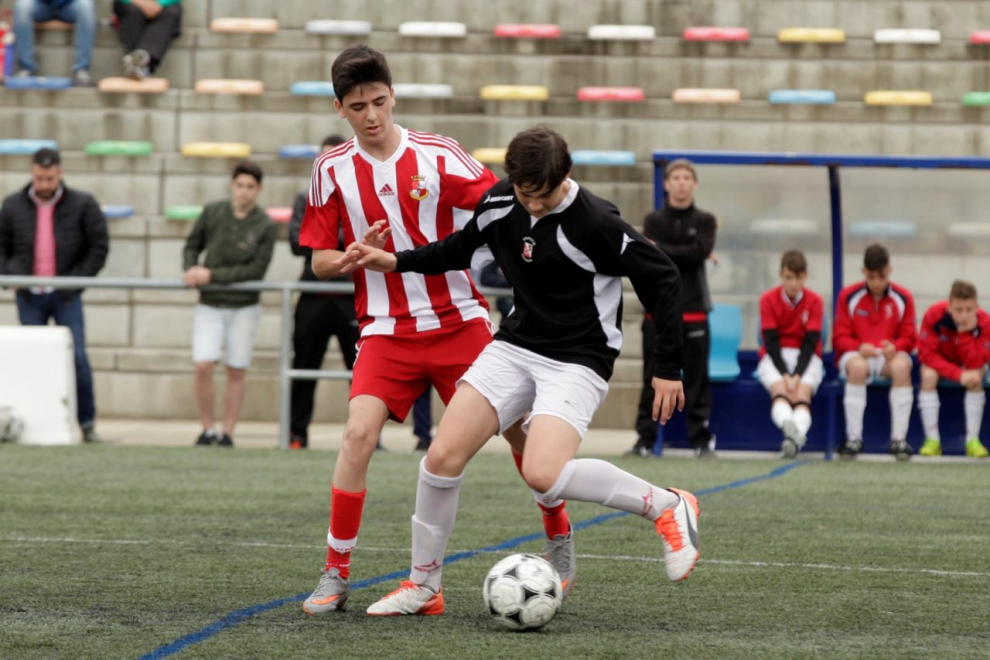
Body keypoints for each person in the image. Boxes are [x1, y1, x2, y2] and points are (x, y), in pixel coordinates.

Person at [336, 125, 700, 617]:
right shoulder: (502, 201)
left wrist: (668, 366)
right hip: (515, 346)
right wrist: (393, 261)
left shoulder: (595, 221)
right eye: (526, 194)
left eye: (544, 197)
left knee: (543, 472)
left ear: (565, 177)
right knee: (440, 458)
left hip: (578, 357)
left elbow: (662, 276)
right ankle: (424, 586)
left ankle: (667, 504)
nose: (533, 206)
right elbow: (457, 250)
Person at [296, 46, 575, 615]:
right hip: (384, 329)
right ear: (339, 109)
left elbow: (502, 205)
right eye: (358, 106)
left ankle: (560, 540)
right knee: (356, 436)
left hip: (458, 322)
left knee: (521, 434)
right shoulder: (331, 170)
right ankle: (335, 573)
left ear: (392, 95)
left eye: (379, 101)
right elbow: (320, 260)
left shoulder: (440, 154)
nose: (371, 114)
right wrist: (349, 256)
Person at [0, 147, 108, 443]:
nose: (44, 184)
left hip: (66, 297)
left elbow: (98, 247)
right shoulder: (12, 205)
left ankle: (87, 423)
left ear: (60, 173)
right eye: (39, 178)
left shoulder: (83, 204)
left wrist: (73, 283)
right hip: (29, 297)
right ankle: (32, 426)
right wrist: (12, 276)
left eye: (49, 178)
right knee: (30, 359)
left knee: (78, 359)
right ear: (32, 173)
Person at [182, 160, 275, 448]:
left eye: (250, 186)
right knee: (203, 365)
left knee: (236, 369)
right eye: (240, 185)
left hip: (244, 305)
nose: (244, 192)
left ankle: (228, 432)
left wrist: (212, 275)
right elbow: (192, 244)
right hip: (210, 303)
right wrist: (191, 269)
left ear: (258, 189)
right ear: (232, 185)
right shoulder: (213, 211)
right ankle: (207, 427)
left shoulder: (265, 225)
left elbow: (255, 271)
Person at [628, 159, 717, 458]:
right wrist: (683, 253)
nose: (680, 182)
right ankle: (645, 439)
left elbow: (697, 253)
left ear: (694, 184)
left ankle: (701, 441)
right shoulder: (653, 219)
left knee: (697, 380)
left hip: (694, 312)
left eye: (686, 177)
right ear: (666, 184)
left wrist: (663, 250)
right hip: (657, 314)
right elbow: (658, 257)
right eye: (675, 177)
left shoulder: (706, 220)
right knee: (649, 377)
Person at [288, 135, 358, 451]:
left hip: (351, 297)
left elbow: (359, 241)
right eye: (323, 159)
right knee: (304, 367)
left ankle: (369, 437)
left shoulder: (358, 197)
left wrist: (323, 239)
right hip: (313, 295)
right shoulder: (305, 198)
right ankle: (296, 435)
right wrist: (338, 243)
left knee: (362, 375)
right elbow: (296, 241)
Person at [833, 244, 917, 460]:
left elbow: (910, 337)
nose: (877, 283)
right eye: (871, 277)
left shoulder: (904, 297)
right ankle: (854, 438)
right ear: (863, 273)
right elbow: (839, 338)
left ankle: (899, 439)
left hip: (887, 358)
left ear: (890, 270)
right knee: (858, 367)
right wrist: (858, 347)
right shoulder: (848, 296)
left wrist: (895, 346)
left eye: (881, 276)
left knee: (902, 366)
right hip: (858, 355)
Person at [755, 250, 824, 458]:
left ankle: (793, 439)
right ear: (781, 275)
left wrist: (797, 374)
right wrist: (786, 374)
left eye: (798, 277)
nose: (793, 283)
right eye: (788, 277)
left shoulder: (815, 301)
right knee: (781, 391)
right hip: (775, 357)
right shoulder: (767, 299)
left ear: (806, 276)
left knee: (802, 394)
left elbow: (811, 342)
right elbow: (771, 341)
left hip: (807, 356)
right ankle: (794, 432)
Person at [917, 280, 990, 458]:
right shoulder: (934, 315)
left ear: (977, 307)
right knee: (927, 375)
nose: (964, 315)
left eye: (969, 310)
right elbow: (926, 354)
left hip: (970, 367)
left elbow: (977, 361)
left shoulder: (985, 322)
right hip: (942, 365)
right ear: (950, 306)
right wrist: (958, 374)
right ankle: (932, 440)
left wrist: (965, 333)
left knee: (976, 376)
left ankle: (972, 441)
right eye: (958, 310)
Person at [12, 0, 96, 86]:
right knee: (22, 6)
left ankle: (82, 70)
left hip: (71, 5)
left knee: (86, 6)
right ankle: (26, 68)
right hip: (40, 5)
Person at [112, 0, 182, 80]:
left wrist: (160, 4)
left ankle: (139, 62)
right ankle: (143, 64)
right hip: (131, 5)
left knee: (172, 11)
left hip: (163, 6)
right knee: (133, 11)